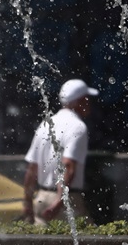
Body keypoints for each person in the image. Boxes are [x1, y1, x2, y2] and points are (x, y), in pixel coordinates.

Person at [22, 78, 98, 225]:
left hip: (41, 197)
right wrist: (59, 202)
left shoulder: (46, 124)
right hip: (63, 199)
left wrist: (27, 202)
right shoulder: (78, 127)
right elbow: (68, 165)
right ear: (79, 101)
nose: (89, 103)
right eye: (87, 99)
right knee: (85, 244)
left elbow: (32, 168)